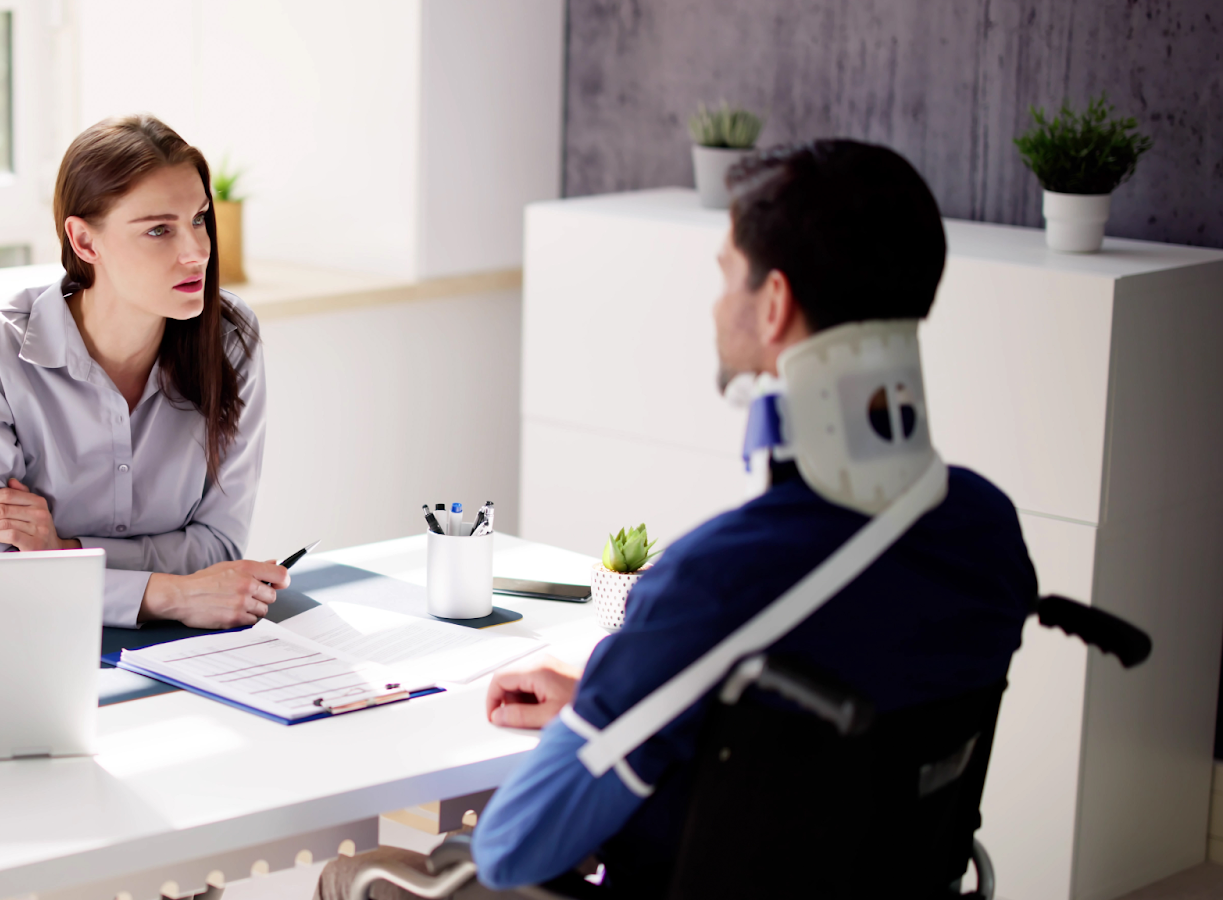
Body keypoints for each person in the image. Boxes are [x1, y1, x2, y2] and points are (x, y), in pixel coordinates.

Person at [314, 140, 1037, 900]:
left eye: (725, 273)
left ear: (774, 303)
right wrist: (625, 682)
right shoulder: (986, 531)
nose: (717, 300)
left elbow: (514, 848)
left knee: (361, 878)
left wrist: (621, 700)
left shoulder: (718, 579)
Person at [0, 114, 288, 629]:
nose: (196, 252)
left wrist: (62, 550)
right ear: (84, 242)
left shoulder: (229, 338)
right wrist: (168, 594)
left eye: (198, 219)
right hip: (27, 641)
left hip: (185, 650)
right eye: (159, 229)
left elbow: (218, 545)